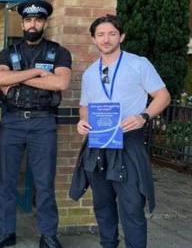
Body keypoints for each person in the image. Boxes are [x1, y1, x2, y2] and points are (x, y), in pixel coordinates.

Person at [70, 14, 171, 248]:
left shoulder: (139, 63)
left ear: (121, 36)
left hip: (129, 141)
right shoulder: (90, 73)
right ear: (94, 39)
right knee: (102, 205)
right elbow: (85, 106)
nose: (106, 39)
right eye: (101, 35)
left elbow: (163, 96)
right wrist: (82, 122)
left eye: (112, 34)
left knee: (132, 206)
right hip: (98, 143)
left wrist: (143, 116)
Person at [0, 0, 72, 248]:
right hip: (12, 122)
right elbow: (0, 79)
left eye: (38, 19)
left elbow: (60, 84)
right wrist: (36, 73)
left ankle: (48, 235)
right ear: (22, 23)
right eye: (28, 19)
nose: (33, 23)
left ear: (44, 22)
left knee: (44, 183)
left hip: (43, 122)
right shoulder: (8, 52)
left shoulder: (59, 52)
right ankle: (5, 233)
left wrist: (19, 78)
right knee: (7, 180)